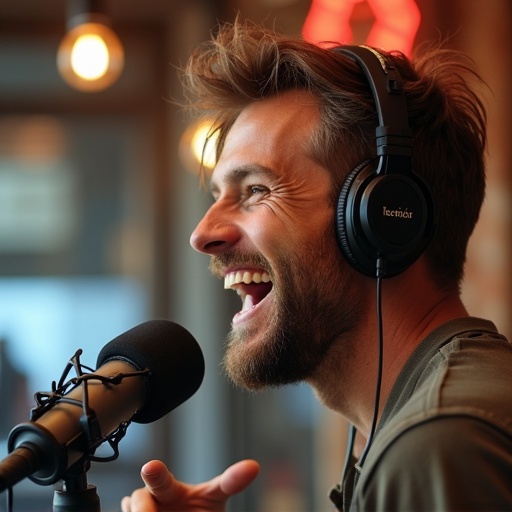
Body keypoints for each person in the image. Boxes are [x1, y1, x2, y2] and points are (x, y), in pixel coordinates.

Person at [121, 19, 512, 512]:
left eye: (257, 190)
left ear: (384, 218)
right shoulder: (424, 428)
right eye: (219, 194)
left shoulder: (439, 447)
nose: (202, 235)